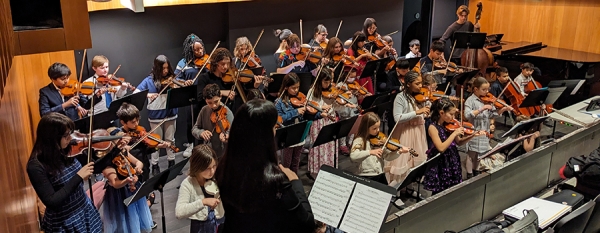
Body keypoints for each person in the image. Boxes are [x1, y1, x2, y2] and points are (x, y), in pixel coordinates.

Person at [215, 99, 315, 233]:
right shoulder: (275, 181)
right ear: (264, 135)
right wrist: (296, 183)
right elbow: (307, 224)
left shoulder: (224, 168)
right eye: (274, 127)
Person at [26, 113, 102, 232]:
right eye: (66, 135)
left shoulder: (64, 150)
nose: (70, 139)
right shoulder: (36, 166)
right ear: (52, 137)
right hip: (64, 221)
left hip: (84, 209)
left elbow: (95, 167)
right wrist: (78, 177)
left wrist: (116, 150)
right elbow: (52, 201)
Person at [110, 103, 170, 207]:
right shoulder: (118, 136)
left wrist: (159, 146)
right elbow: (113, 149)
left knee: (144, 187)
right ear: (123, 122)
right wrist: (123, 147)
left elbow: (146, 148)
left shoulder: (140, 131)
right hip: (129, 169)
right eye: (133, 122)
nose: (137, 124)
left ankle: (146, 204)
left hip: (144, 165)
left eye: (138, 120)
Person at [423, 98, 481, 194]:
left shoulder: (450, 125)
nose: (453, 118)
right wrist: (454, 134)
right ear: (441, 113)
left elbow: (459, 142)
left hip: (452, 159)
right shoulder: (432, 127)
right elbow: (441, 148)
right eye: (451, 114)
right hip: (441, 162)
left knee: (453, 188)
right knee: (440, 191)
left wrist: (472, 136)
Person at [100, 133, 153, 233]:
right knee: (123, 219)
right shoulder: (106, 162)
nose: (123, 143)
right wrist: (126, 180)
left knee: (134, 214)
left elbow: (139, 162)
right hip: (119, 194)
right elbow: (115, 183)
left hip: (132, 188)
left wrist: (137, 168)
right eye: (120, 141)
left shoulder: (123, 152)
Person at [136, 55, 177, 175]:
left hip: (171, 114)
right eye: (163, 69)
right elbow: (137, 92)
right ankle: (155, 165)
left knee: (170, 139)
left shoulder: (172, 78)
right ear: (157, 68)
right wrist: (148, 95)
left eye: (167, 68)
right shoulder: (149, 80)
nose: (165, 71)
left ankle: (171, 162)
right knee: (155, 142)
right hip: (155, 116)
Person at [387, 71, 429, 187]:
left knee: (413, 166)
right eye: (417, 84)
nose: (420, 86)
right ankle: (395, 192)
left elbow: (423, 114)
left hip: (418, 133)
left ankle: (407, 188)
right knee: (402, 164)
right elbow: (398, 118)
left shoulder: (420, 96)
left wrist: (426, 111)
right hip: (405, 133)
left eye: (421, 83)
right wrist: (417, 112)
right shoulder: (400, 97)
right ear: (408, 84)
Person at [464, 77, 511, 179]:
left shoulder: (487, 100)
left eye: (487, 89)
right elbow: (467, 115)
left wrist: (502, 109)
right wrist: (482, 108)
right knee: (471, 155)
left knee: (479, 155)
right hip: (474, 131)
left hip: (485, 131)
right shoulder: (470, 100)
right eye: (484, 89)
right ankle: (469, 174)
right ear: (476, 89)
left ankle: (476, 172)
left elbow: (492, 115)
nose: (487, 92)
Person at [275, 73, 322, 173]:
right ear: (286, 87)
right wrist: (296, 112)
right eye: (293, 88)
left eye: (298, 87)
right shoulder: (279, 102)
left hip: (300, 135)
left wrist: (320, 115)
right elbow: (279, 120)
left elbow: (308, 115)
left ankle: (295, 181)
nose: (296, 90)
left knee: (296, 162)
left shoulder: (301, 98)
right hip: (287, 138)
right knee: (286, 163)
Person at [175, 145, 225, 233]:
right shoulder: (188, 184)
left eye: (214, 166)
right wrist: (203, 202)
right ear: (197, 167)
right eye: (207, 168)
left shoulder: (216, 177)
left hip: (220, 224)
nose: (212, 171)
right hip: (201, 228)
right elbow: (179, 212)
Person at [351, 112, 408, 184]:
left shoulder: (379, 140)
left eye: (378, 127)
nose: (378, 130)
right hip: (366, 176)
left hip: (380, 174)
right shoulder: (360, 140)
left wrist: (399, 152)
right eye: (374, 128)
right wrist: (370, 152)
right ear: (366, 128)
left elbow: (388, 156)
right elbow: (353, 156)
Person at [179, 33, 208, 158]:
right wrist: (184, 82)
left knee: (205, 120)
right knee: (191, 121)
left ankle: (204, 144)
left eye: (201, 48)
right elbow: (176, 79)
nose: (200, 51)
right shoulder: (184, 63)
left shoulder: (208, 60)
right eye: (196, 50)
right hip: (191, 96)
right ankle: (191, 144)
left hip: (205, 96)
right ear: (190, 50)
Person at [307, 68, 335, 178]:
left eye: (330, 81)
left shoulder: (331, 91)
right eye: (325, 82)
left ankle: (328, 169)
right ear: (319, 80)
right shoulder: (312, 91)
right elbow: (309, 106)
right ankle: (316, 171)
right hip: (318, 123)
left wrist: (334, 105)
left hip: (329, 121)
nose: (328, 84)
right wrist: (321, 107)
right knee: (318, 147)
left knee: (328, 147)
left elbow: (335, 106)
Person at [192, 84, 234, 158]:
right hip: (208, 153)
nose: (214, 106)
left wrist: (226, 136)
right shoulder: (204, 110)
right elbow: (194, 129)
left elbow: (234, 134)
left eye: (216, 101)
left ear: (220, 97)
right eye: (209, 103)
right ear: (205, 100)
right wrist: (201, 133)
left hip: (223, 154)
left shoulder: (227, 112)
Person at [346, 31, 375, 96]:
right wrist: (362, 55)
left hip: (365, 76)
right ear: (356, 42)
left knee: (369, 95)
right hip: (357, 77)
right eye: (361, 41)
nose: (363, 43)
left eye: (364, 41)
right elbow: (352, 61)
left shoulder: (363, 49)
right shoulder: (350, 51)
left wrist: (369, 56)